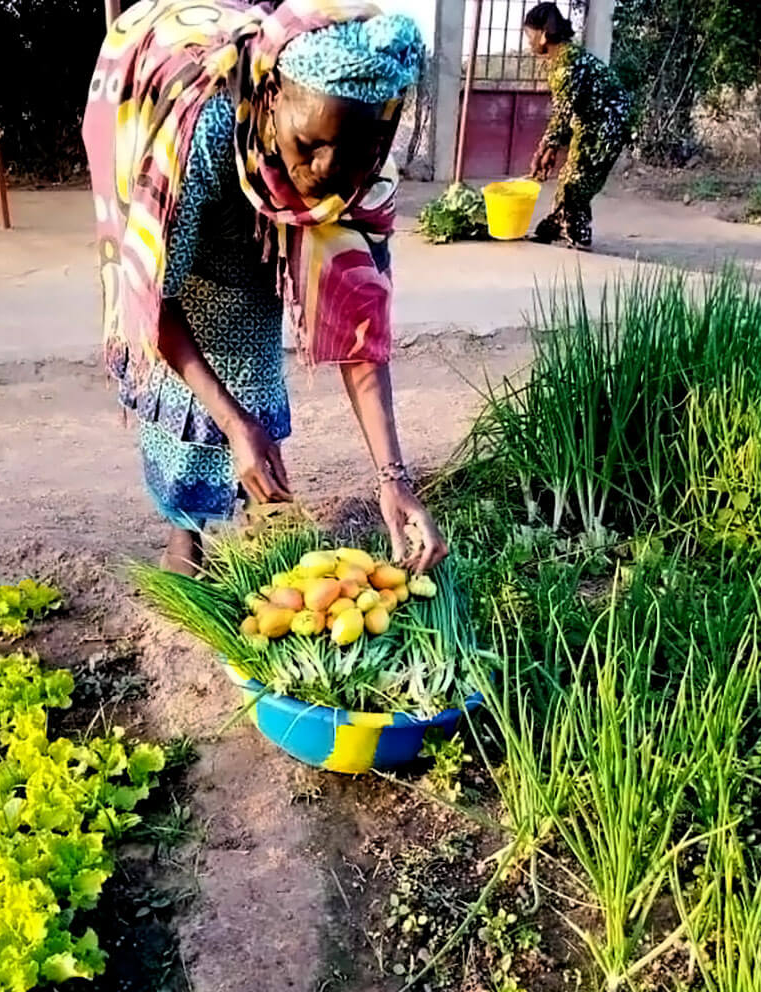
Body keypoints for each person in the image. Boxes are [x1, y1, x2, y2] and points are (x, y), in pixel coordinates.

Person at [83, 0, 447, 576]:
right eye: (307, 144)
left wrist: (393, 479)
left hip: (254, 241)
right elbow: (156, 304)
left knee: (253, 354)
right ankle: (185, 538)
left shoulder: (363, 172)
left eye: (347, 153)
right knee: (191, 388)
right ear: (272, 96)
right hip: (186, 221)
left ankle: (259, 504)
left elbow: (359, 328)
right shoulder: (202, 135)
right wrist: (232, 422)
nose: (323, 172)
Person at [523, 2, 631, 249]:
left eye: (529, 35)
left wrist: (546, 149)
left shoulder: (566, 65)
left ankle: (576, 230)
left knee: (577, 179)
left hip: (606, 123)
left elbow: (563, 113)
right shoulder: (564, 57)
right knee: (572, 175)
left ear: (542, 34)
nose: (528, 42)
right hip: (595, 121)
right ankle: (559, 223)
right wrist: (548, 147)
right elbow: (566, 111)